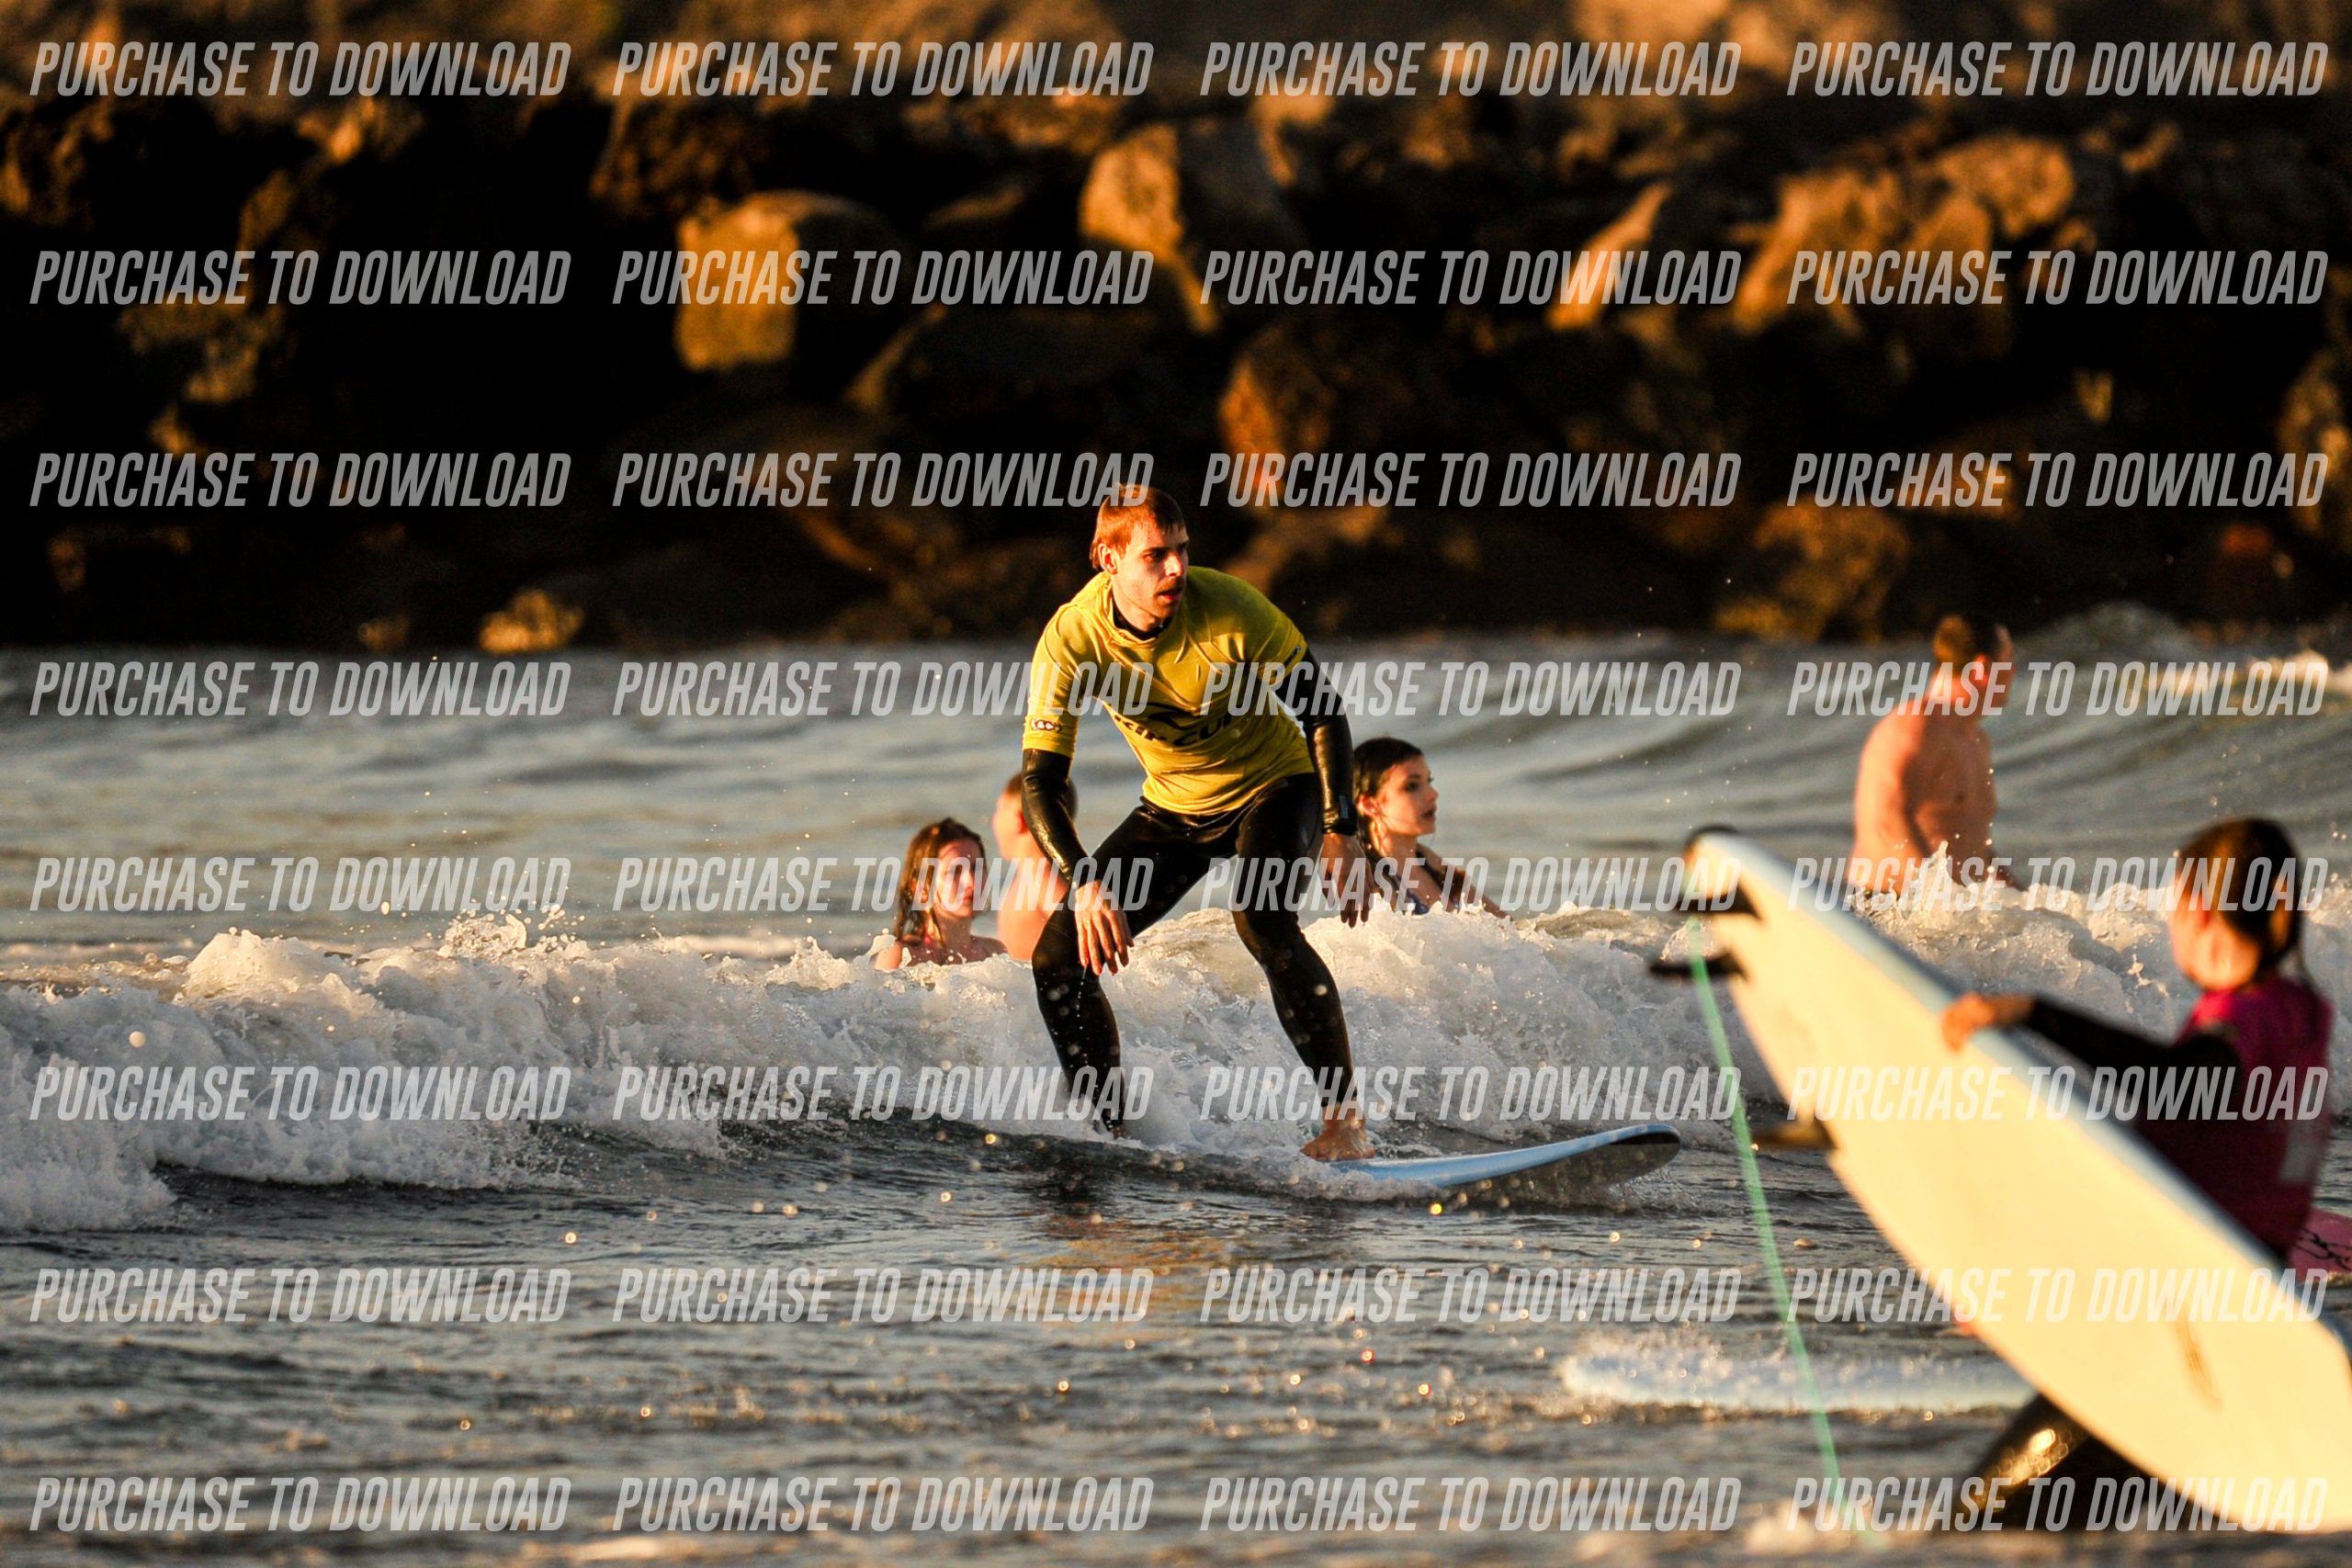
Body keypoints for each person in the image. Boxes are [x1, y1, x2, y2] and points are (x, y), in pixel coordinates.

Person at [1938, 818, 2333, 1517]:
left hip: (2176, 1344)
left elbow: (2179, 1078)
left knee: (1979, 1524)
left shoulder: (2245, 1025)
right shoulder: (2303, 1016)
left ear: (2200, 913)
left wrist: (2033, 1011)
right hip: (2248, 1328)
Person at [1022, 486, 1374, 1160]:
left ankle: (1344, 1124)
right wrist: (1085, 881)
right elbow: (1042, 781)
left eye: (1182, 550)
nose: (1177, 568)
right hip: (1175, 809)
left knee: (1263, 920)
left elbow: (1322, 712)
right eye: (1155, 555)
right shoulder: (1072, 639)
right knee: (1058, 960)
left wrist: (1341, 829)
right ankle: (1108, 1132)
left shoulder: (1230, 608)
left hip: (1276, 785)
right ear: (1108, 558)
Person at [1849, 614, 2015, 892]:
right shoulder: (1916, 726)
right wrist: (1943, 899)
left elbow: (1974, 847)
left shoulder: (1976, 741)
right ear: (1983, 669)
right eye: (2009, 662)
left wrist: (2028, 903)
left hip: (1949, 910)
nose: (2014, 673)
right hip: (1885, 905)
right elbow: (1886, 821)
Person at [1352, 737, 1503, 915]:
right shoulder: (1371, 881)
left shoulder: (1428, 861)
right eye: (1411, 786)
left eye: (1428, 781)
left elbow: (1505, 923)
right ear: (1370, 805)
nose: (1433, 794)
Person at [874, 818, 1005, 970]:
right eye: (955, 871)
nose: (972, 882)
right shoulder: (901, 956)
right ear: (921, 889)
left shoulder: (994, 954)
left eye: (976, 868)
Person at [990, 770, 1069, 963]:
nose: (994, 821)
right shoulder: (1029, 876)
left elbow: (1082, 931)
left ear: (1018, 820)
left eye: (999, 810)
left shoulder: (1042, 878)